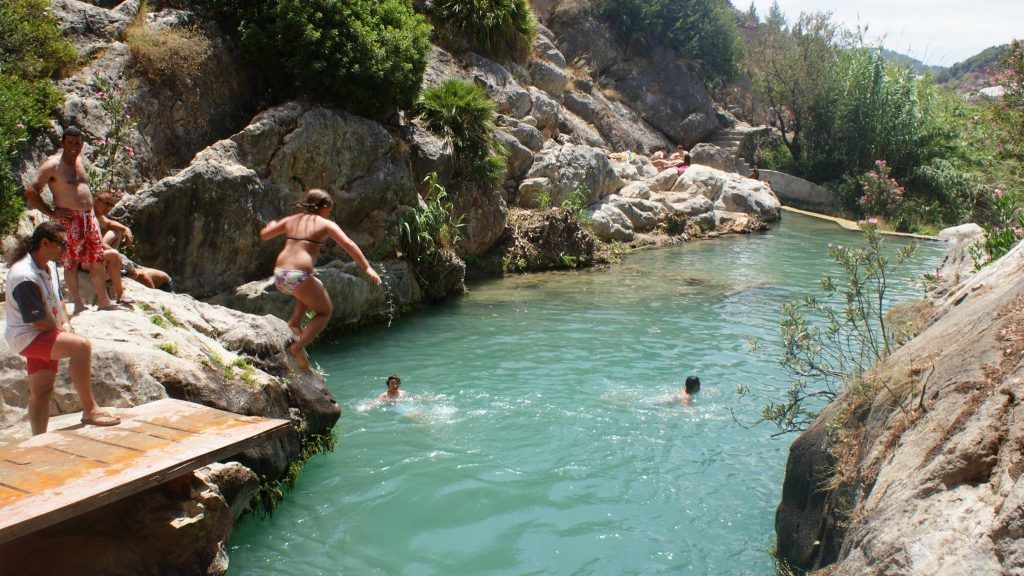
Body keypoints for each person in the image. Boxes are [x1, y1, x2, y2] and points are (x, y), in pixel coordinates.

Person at [4, 222, 121, 434]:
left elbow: (58, 301)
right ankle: (90, 410)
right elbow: (38, 320)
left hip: (41, 333)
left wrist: (66, 322)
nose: (66, 249)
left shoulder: (47, 267)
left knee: (41, 391)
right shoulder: (24, 275)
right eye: (62, 245)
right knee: (81, 347)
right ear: (45, 243)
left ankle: (38, 438)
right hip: (28, 336)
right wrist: (62, 331)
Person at [260, 189, 382, 370]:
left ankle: (295, 322)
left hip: (280, 276)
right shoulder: (325, 224)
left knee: (316, 286)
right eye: (329, 209)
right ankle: (297, 347)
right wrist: (367, 268)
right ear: (323, 207)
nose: (329, 213)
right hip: (298, 276)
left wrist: (271, 225)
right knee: (325, 311)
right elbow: (348, 244)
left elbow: (265, 235)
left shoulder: (291, 220)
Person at [23, 126, 127, 313]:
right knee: (70, 263)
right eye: (69, 143)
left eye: (77, 143)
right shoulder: (53, 165)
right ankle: (78, 304)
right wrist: (52, 213)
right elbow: (31, 190)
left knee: (97, 259)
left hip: (88, 218)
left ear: (82, 144)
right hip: (69, 220)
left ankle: (104, 301)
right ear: (62, 143)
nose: (73, 147)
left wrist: (93, 216)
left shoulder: (80, 160)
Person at [94, 190, 172, 291]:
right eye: (107, 203)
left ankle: (110, 265)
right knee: (115, 233)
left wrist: (126, 229)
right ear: (95, 200)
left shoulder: (98, 216)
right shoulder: (88, 215)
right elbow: (97, 241)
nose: (108, 208)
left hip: (166, 282)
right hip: (90, 254)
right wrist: (116, 255)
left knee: (117, 232)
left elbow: (108, 223)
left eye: (111, 205)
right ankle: (111, 265)